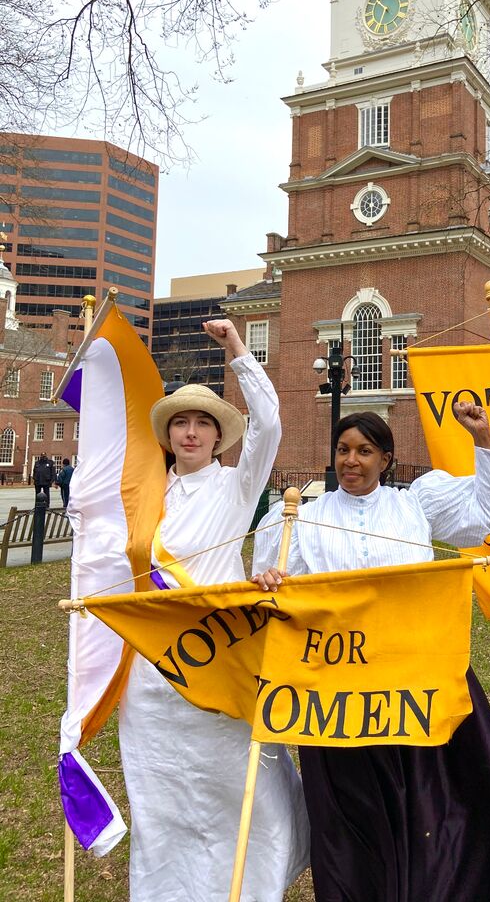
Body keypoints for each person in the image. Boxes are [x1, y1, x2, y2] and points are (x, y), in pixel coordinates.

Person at [252, 406, 490, 902]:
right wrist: (269, 580)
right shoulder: (301, 518)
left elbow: (484, 513)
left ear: (387, 459)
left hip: (413, 672)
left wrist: (483, 439)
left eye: (363, 451)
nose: (350, 460)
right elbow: (272, 593)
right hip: (338, 687)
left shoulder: (414, 506)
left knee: (428, 796)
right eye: (342, 450)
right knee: (352, 809)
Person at [118, 319, 308, 902]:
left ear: (219, 434)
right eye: (181, 422)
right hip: (152, 678)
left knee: (239, 787)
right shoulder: (141, 496)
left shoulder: (235, 487)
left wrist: (237, 351)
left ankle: (249, 889)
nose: (192, 432)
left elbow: (270, 423)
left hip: (220, 660)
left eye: (203, 422)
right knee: (163, 794)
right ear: (168, 433)